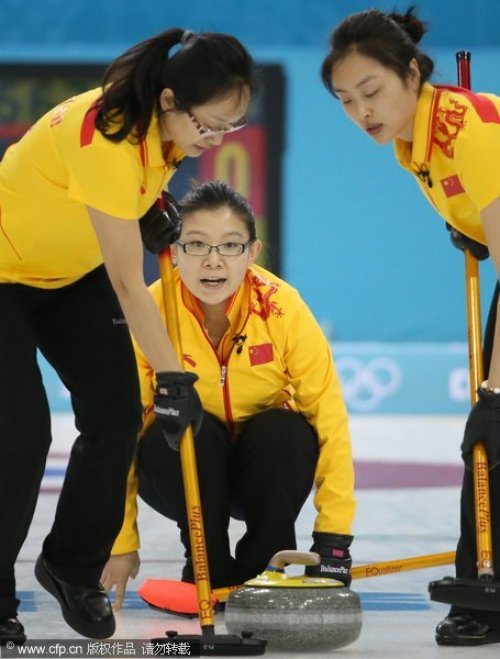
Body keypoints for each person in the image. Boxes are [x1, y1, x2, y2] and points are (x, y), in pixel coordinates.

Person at [0, 29, 256, 644]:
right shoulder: (109, 137)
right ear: (169, 100)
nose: (217, 141)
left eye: (232, 127)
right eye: (211, 125)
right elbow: (126, 282)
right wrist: (173, 377)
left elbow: (109, 196)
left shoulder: (160, 124)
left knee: (115, 419)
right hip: (3, 274)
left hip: (68, 273)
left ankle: (69, 566)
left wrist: (151, 204)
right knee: (19, 434)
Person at [320, 6, 500, 647]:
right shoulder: (407, 143)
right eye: (345, 100)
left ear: (412, 72)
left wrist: (496, 393)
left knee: (493, 432)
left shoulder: (468, 132)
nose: (360, 110)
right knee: (490, 447)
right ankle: (483, 591)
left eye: (371, 91)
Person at [100, 180, 356, 609]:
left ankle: (265, 567)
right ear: (174, 251)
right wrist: (122, 540)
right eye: (196, 245)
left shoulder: (283, 308)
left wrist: (333, 538)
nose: (213, 261)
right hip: (180, 469)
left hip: (265, 469)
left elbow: (329, 418)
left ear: (252, 253)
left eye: (230, 246)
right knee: (187, 430)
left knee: (287, 431)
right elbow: (121, 427)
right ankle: (207, 567)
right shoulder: (151, 310)